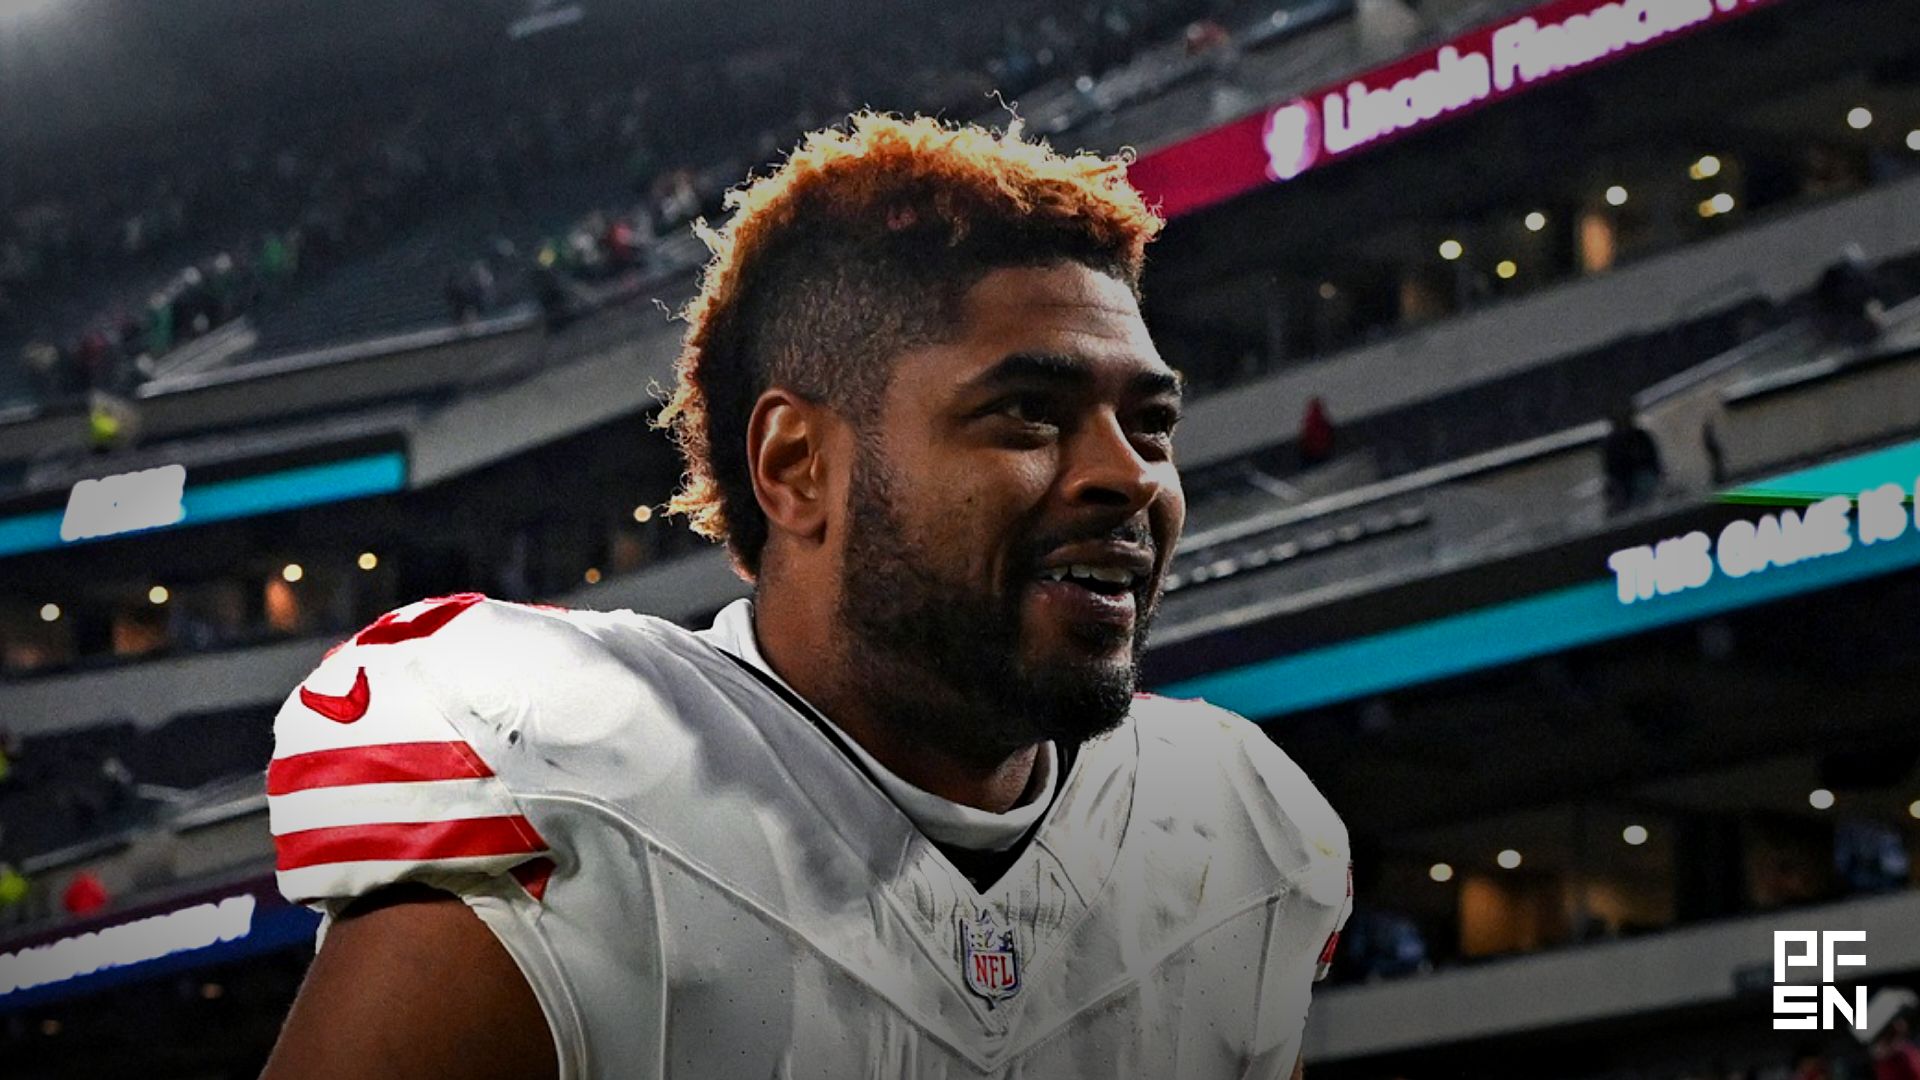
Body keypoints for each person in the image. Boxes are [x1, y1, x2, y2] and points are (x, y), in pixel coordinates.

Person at [260, 113, 1351, 1080]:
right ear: (797, 466)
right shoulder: (571, 790)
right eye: (1027, 412)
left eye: (1152, 424)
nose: (1130, 475)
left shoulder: (1230, 839)